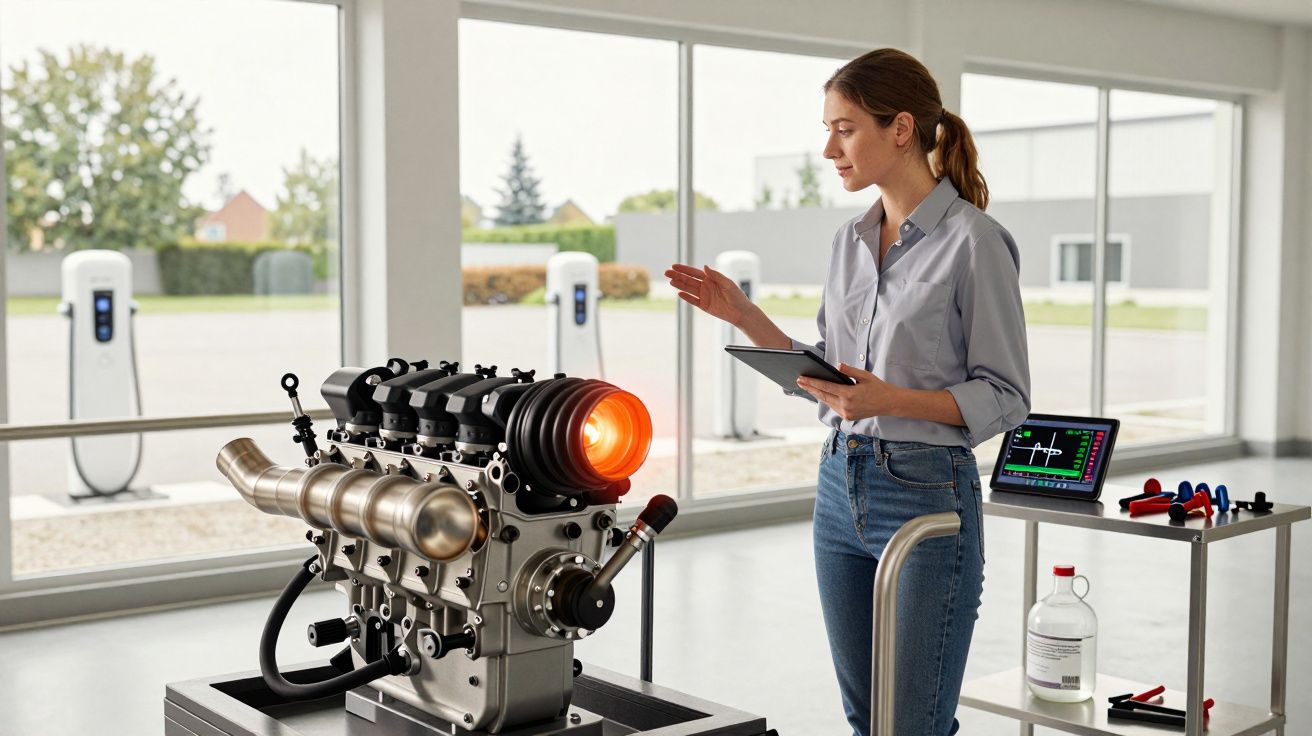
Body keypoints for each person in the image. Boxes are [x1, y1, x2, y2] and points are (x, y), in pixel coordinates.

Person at [665, 48, 1031, 736]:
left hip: (926, 493)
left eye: (845, 128)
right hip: (839, 485)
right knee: (866, 719)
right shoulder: (849, 241)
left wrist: (891, 401)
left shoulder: (975, 242)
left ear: (900, 129)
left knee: (911, 723)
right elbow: (835, 382)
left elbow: (1006, 396)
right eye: (828, 129)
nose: (829, 149)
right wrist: (744, 316)